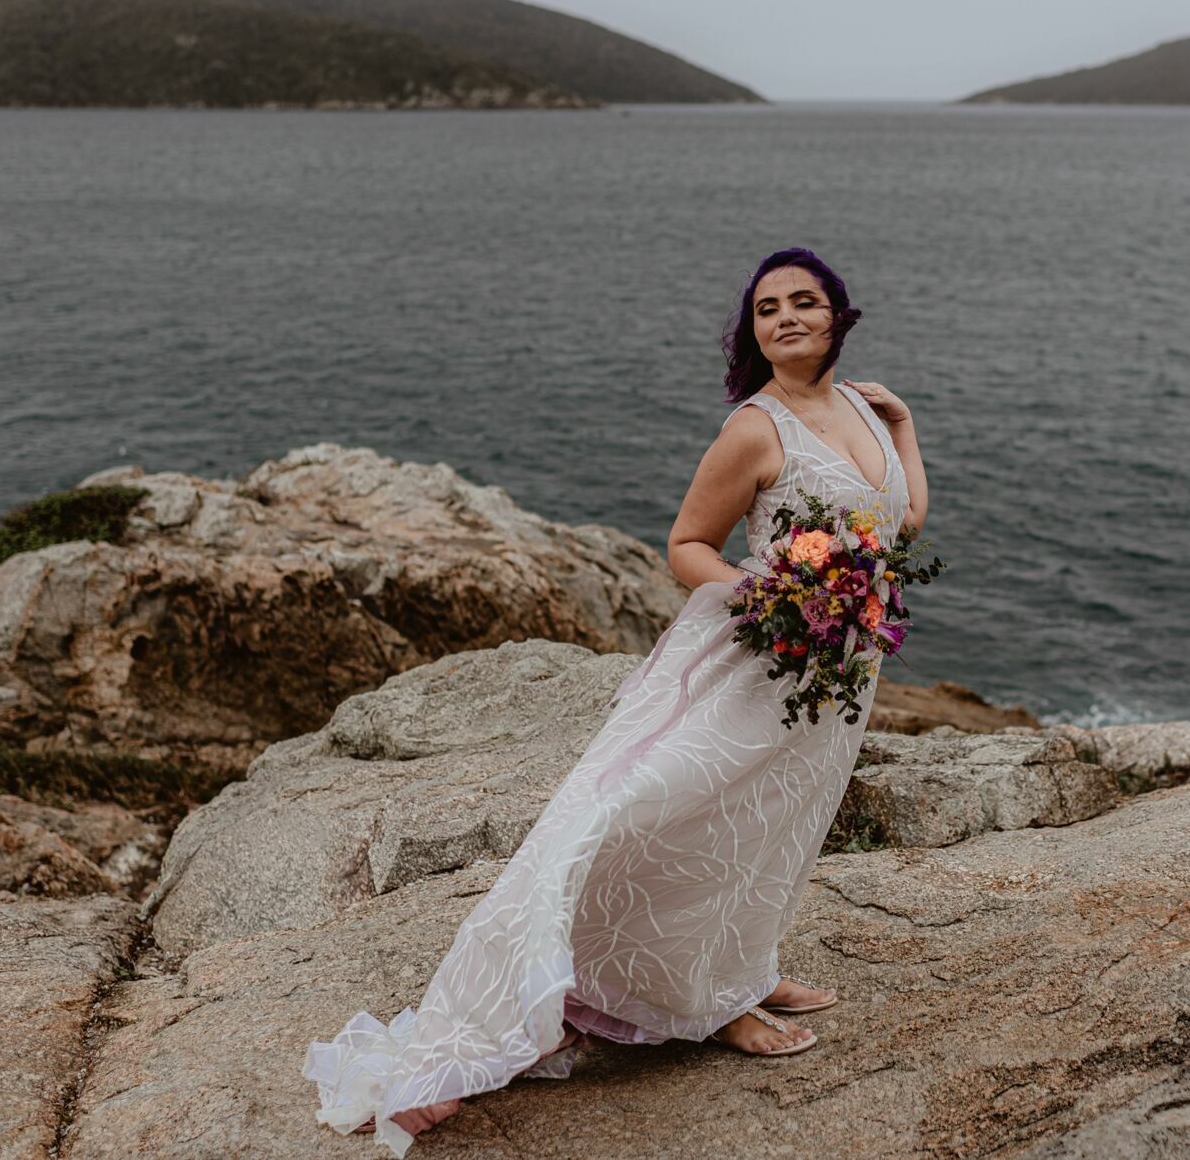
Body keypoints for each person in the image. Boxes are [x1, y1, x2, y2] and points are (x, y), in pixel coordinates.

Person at [301, 246, 928, 1155]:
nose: (786, 317)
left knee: (778, 821)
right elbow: (686, 546)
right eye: (766, 309)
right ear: (754, 333)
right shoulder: (756, 430)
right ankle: (703, 1006)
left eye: (804, 302)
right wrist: (773, 599)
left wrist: (904, 429)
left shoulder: (867, 410)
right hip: (753, 656)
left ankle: (743, 969)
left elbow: (900, 523)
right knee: (664, 810)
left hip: (840, 670)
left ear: (839, 315)